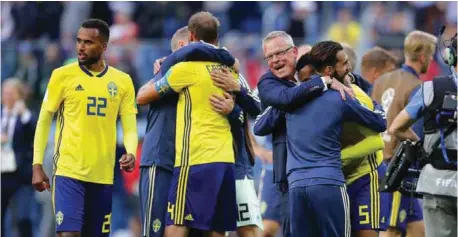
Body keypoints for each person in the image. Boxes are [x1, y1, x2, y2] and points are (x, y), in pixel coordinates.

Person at [31, 19, 138, 237]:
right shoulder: (62, 76)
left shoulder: (122, 81)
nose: (81, 46)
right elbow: (43, 121)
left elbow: (129, 127)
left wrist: (131, 152)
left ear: (104, 46)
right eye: (79, 41)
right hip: (68, 171)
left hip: (102, 174)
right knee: (68, 234)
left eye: (88, 42)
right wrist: (37, 164)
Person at [135, 12, 238, 237]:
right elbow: (140, 96)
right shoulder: (169, 72)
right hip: (161, 161)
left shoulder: (213, 75)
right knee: (157, 232)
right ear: (184, 45)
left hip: (193, 162)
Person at [388, 35, 457, 237]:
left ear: (450, 57)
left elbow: (396, 127)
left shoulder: (430, 88)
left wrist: (422, 149)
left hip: (436, 183)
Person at [371, 30, 437, 237]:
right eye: (432, 54)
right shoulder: (418, 87)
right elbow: (411, 133)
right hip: (398, 166)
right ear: (424, 56)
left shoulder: (382, 80)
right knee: (391, 229)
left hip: (377, 159)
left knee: (418, 229)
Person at [1, 78, 37, 237]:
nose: (8, 97)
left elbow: (34, 132)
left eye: (11, 93)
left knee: (23, 216)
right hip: (2, 173)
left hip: (21, 174)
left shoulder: (26, 116)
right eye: (5, 93)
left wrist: (24, 113)